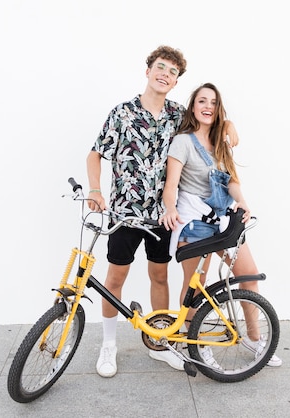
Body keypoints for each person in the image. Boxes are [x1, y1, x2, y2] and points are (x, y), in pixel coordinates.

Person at [86, 47, 239, 378]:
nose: (165, 74)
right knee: (115, 277)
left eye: (172, 72)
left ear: (176, 81)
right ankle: (109, 344)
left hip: (165, 217)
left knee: (159, 276)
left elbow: (210, 121)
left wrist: (230, 127)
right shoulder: (122, 113)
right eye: (160, 67)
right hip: (125, 214)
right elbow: (95, 154)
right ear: (148, 71)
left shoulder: (177, 115)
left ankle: (161, 342)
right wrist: (96, 189)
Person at [160, 82, 282, 367]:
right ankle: (192, 345)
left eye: (213, 103)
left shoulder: (221, 142)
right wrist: (168, 209)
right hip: (194, 224)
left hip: (224, 220)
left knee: (248, 275)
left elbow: (233, 181)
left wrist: (243, 203)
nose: (207, 107)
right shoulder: (183, 142)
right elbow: (171, 185)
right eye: (202, 101)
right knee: (195, 288)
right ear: (193, 107)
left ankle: (253, 336)